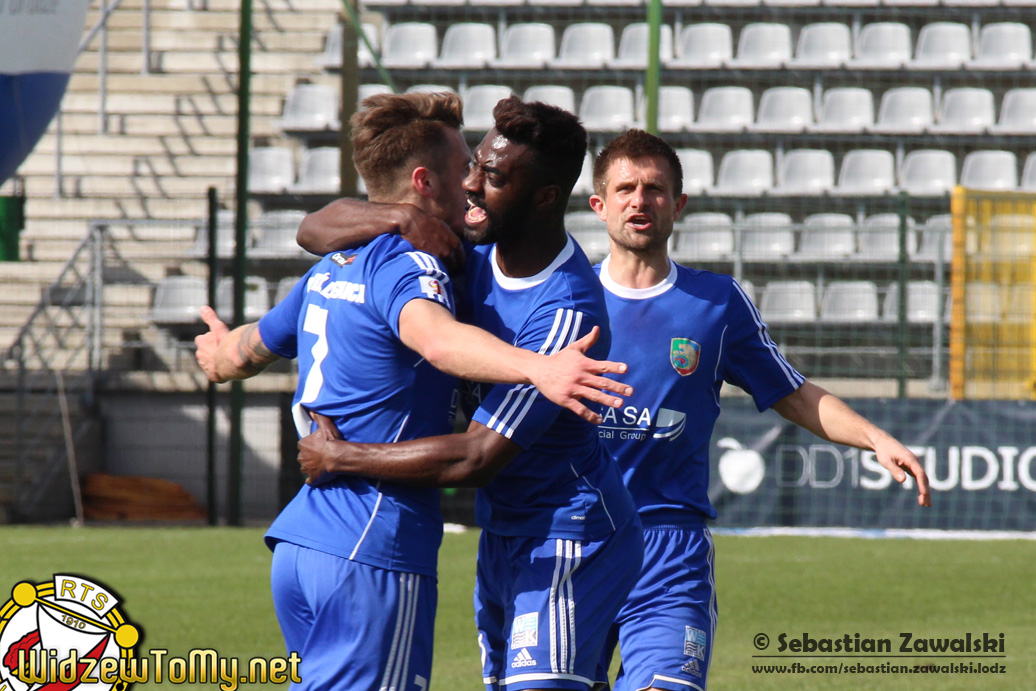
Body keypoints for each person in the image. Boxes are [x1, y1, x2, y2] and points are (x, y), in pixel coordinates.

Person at [193, 92, 632, 691]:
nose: (471, 184)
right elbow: (314, 230)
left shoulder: (562, 307)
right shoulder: (447, 251)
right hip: (389, 540)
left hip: (563, 532)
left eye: (490, 175)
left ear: (544, 196)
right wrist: (403, 218)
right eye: (468, 167)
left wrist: (231, 364)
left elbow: (475, 454)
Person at [583, 128, 932, 691]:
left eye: (654, 189)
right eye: (625, 189)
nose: (639, 200)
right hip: (578, 540)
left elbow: (793, 392)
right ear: (599, 205)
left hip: (668, 550)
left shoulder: (717, 303)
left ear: (678, 204)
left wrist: (876, 438)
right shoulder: (567, 297)